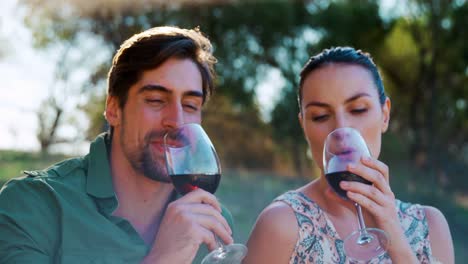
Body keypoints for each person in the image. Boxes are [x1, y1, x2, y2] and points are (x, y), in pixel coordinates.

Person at [0, 26, 235, 263]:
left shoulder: (213, 221)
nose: (176, 121)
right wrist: (163, 258)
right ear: (113, 109)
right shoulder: (32, 205)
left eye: (190, 105)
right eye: (156, 100)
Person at [243, 47, 454, 264]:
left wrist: (397, 240)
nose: (342, 131)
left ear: (385, 114)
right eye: (321, 116)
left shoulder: (430, 226)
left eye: (358, 109)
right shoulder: (281, 226)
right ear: (303, 126)